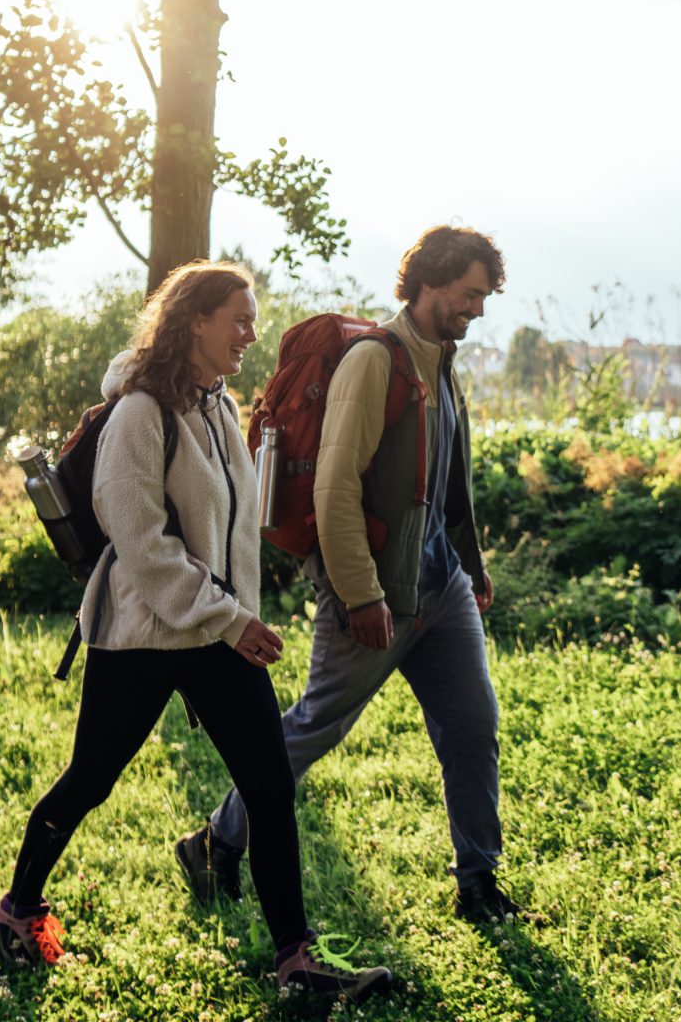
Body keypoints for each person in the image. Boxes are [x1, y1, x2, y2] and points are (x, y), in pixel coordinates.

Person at [0, 261, 390, 1000]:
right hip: (142, 637)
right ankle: (16, 914)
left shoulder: (216, 407)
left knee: (269, 786)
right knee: (90, 782)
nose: (250, 331)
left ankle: (297, 966)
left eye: (251, 318)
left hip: (215, 634)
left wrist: (235, 616)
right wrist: (230, 618)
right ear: (192, 322)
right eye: (237, 317)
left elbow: (231, 532)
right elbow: (141, 544)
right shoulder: (140, 414)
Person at [177, 226, 521, 921]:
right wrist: (360, 593)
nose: (478, 310)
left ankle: (478, 884)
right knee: (317, 723)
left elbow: (447, 477)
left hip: (441, 583)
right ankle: (216, 839)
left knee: (473, 726)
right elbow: (335, 488)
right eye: (469, 294)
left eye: (484, 297)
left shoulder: (441, 361)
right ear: (429, 282)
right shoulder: (376, 359)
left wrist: (471, 562)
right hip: (377, 589)